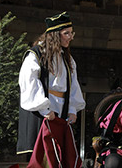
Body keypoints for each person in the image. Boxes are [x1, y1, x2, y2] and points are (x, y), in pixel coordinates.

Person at [17, 11, 85, 155]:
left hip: (62, 110)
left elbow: (73, 86)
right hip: (43, 110)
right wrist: (45, 109)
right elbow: (29, 82)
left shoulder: (67, 59)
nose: (70, 38)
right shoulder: (35, 55)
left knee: (58, 157)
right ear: (55, 35)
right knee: (41, 157)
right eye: (67, 33)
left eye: (72, 33)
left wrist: (72, 109)